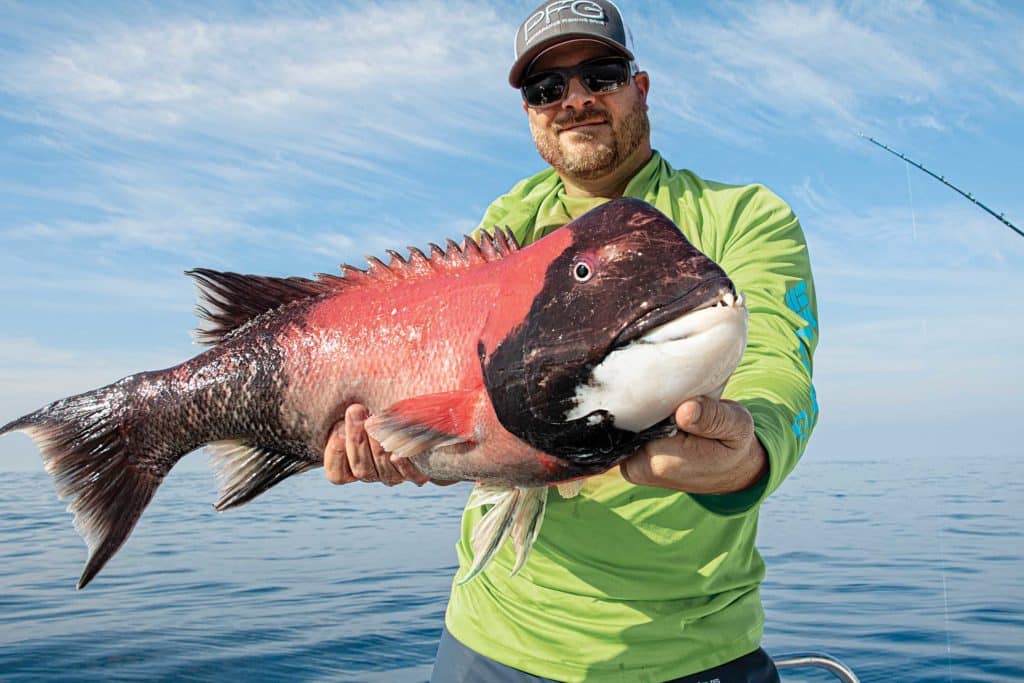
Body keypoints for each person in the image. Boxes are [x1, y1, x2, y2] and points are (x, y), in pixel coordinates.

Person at [324, 2, 819, 681]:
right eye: (546, 89)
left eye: (601, 75)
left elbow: (778, 369)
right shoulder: (508, 227)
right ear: (530, 113)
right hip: (491, 637)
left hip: (692, 648)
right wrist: (404, 446)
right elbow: (474, 419)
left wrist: (747, 456)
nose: (575, 100)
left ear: (639, 88)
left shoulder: (745, 217)